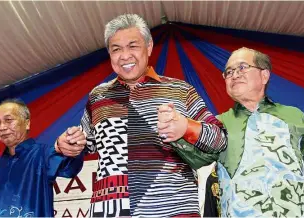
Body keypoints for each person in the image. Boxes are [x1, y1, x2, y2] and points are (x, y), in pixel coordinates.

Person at [56, 14, 227, 217]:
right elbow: (85, 143)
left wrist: (186, 127)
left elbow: (220, 139)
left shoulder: (180, 91)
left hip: (172, 210)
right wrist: (66, 144)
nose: (125, 55)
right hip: (112, 210)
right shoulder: (97, 96)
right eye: (116, 49)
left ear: (149, 47)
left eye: (133, 46)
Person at [174, 47, 304, 217]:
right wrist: (177, 131)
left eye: (242, 67)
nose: (234, 74)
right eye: (228, 72)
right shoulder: (218, 124)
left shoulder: (294, 116)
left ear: (264, 75)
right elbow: (194, 158)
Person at [0, 98, 85, 217]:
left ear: (27, 123)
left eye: (8, 120)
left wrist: (70, 147)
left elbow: (69, 167)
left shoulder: (42, 154)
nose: (2, 127)